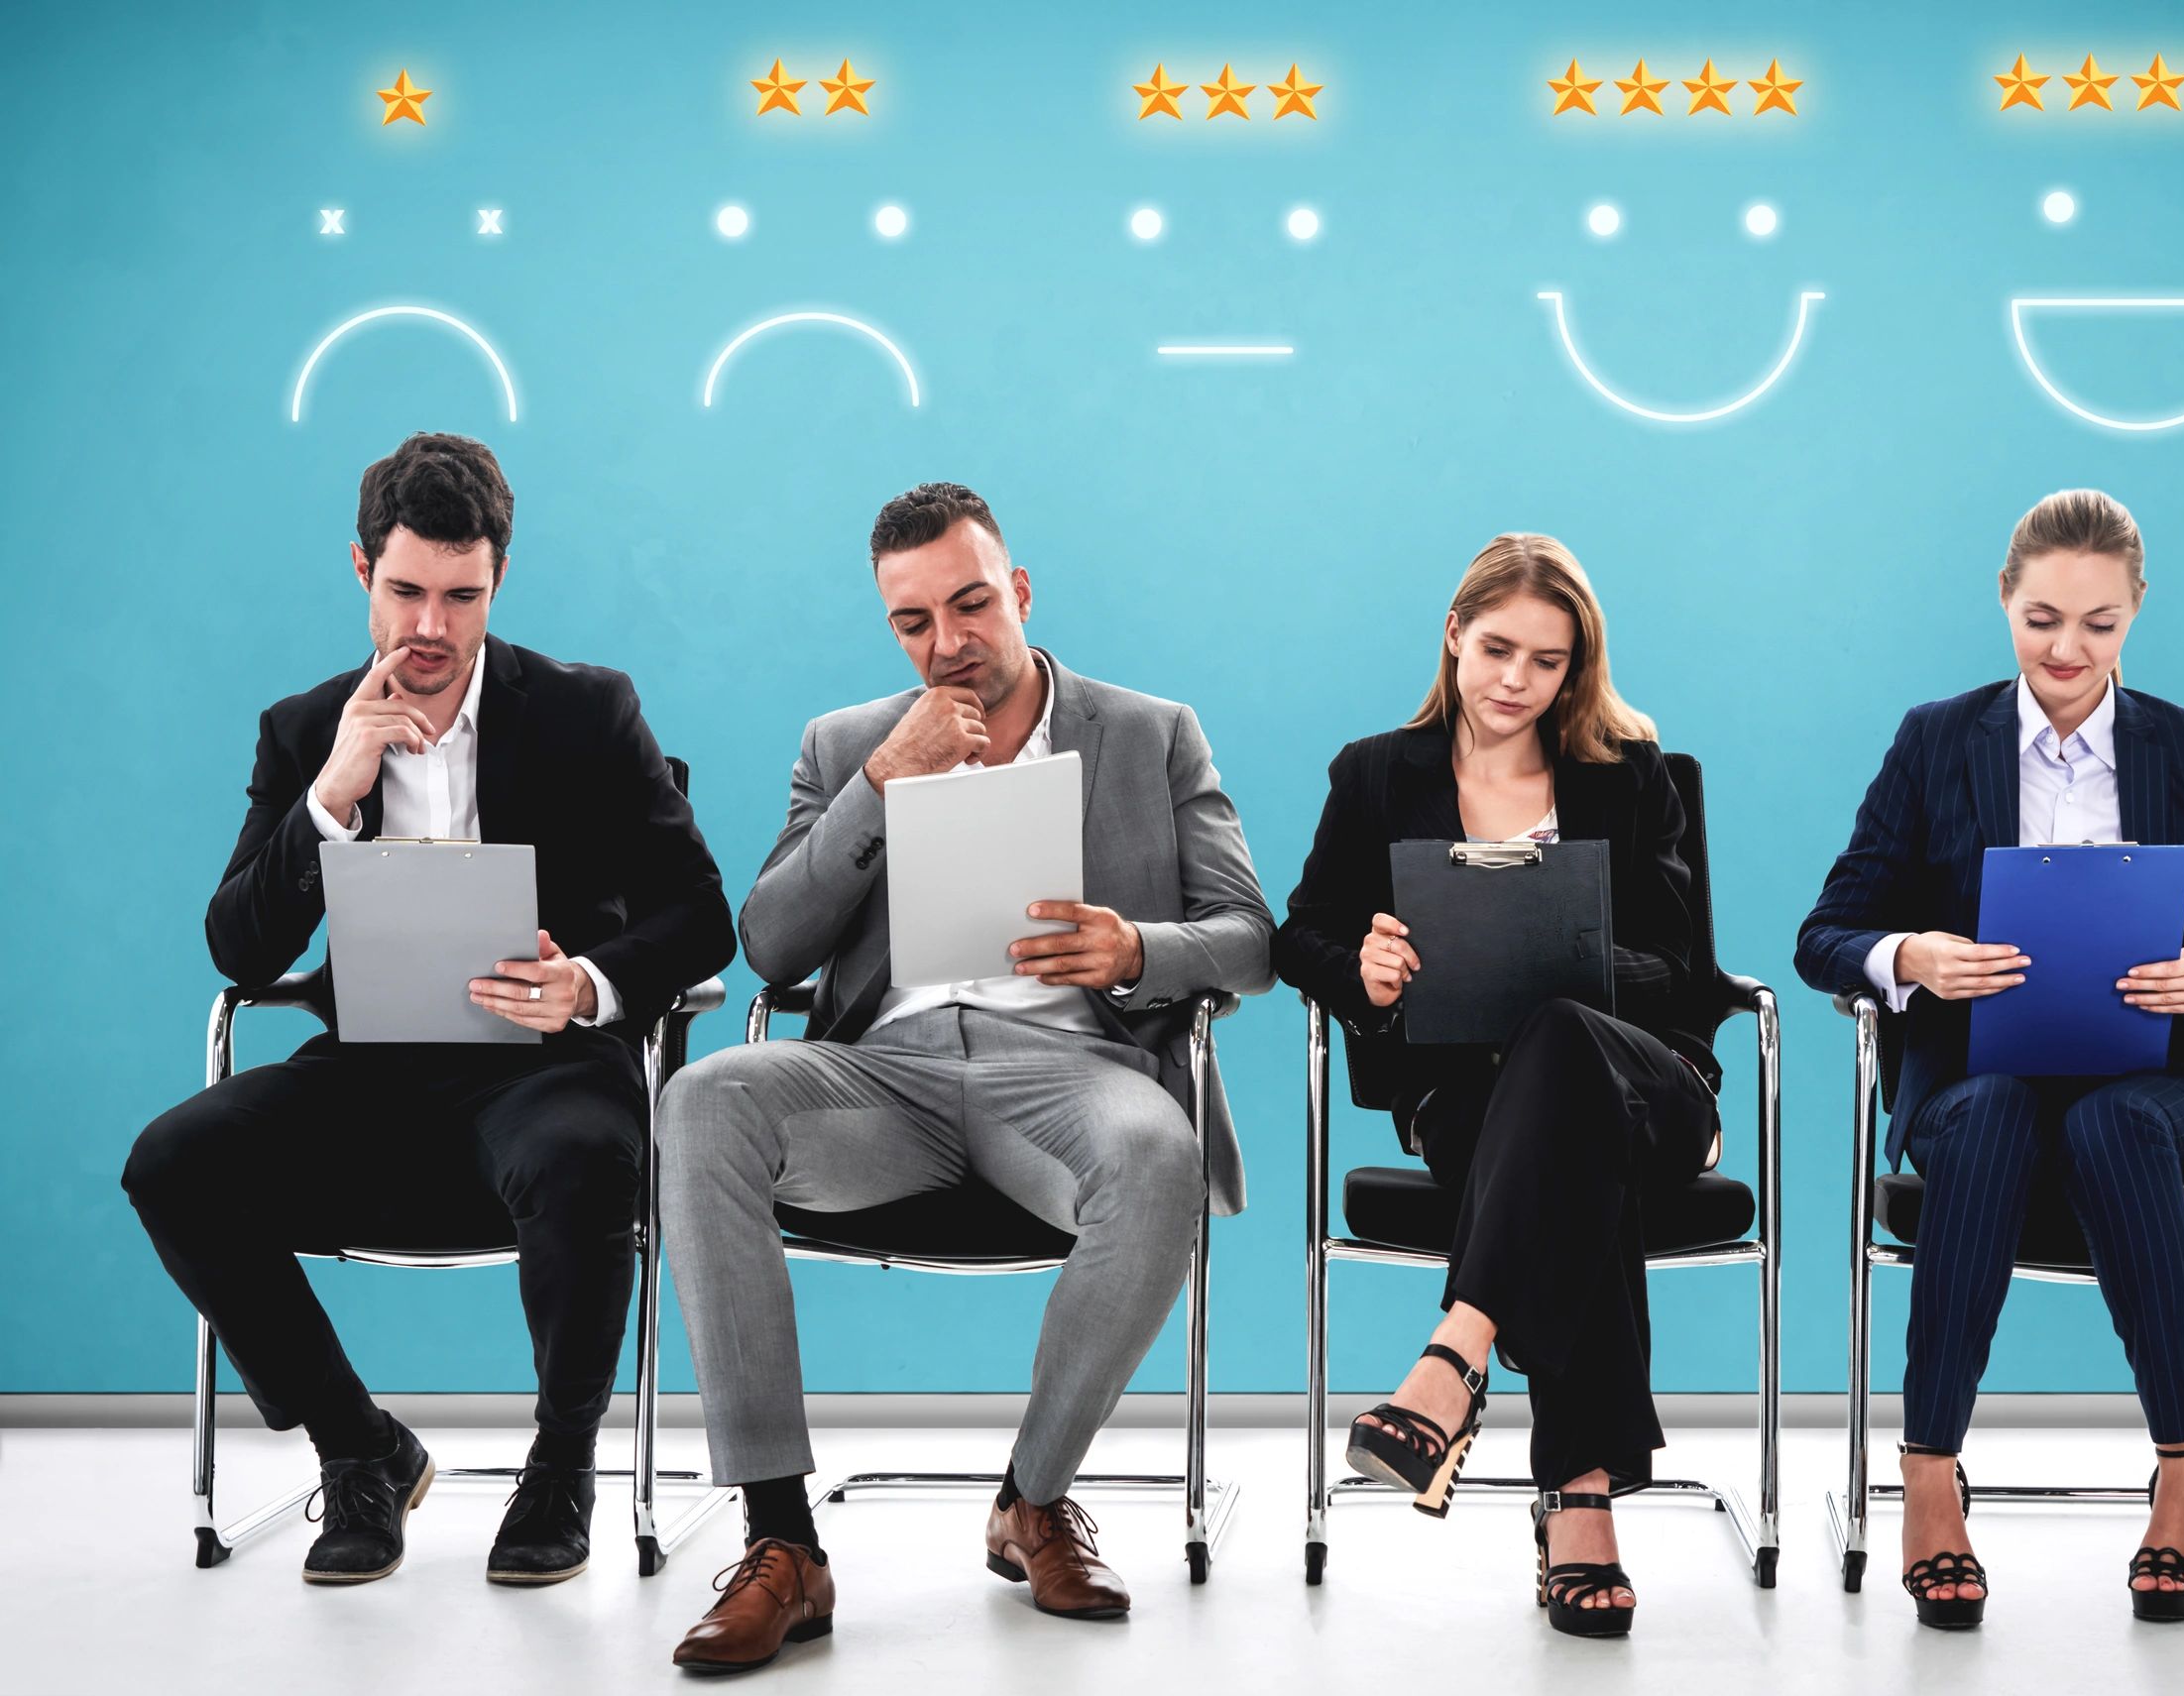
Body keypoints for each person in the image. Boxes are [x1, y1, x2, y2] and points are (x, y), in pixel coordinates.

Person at [658, 481, 1274, 1672]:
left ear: (1021, 592)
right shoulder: (844, 745)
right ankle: (782, 1542)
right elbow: (773, 949)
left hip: (1072, 1070)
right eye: (913, 622)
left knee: (1158, 1151)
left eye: (971, 604)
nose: (947, 644)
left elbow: (1248, 936)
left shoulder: (1149, 734)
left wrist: (1138, 948)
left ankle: (1031, 1499)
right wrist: (882, 780)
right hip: (881, 1079)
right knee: (703, 1097)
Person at [122, 432, 736, 1587]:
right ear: (362, 571)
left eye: (463, 596)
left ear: (498, 581)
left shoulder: (586, 711)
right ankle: (359, 1447)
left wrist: (590, 983)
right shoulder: (305, 729)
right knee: (171, 1162)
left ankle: (560, 1467)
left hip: (545, 1065)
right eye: (406, 591)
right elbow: (239, 947)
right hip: (372, 1073)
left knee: (582, 1152)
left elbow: (704, 917)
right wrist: (330, 798)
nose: (432, 629)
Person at [1794, 489, 2184, 1628]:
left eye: (2097, 624)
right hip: (1973, 1085)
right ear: (2003, 598)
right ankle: (1930, 1479)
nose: (2064, 648)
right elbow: (1824, 936)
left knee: (2111, 1121)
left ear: (2135, 612)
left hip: (2161, 1089)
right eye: (2042, 616)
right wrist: (1915, 955)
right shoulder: (1934, 740)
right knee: (1998, 1111)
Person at [1272, 533, 1722, 1639]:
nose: (1516, 680)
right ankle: (1579, 1500)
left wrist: (1558, 955)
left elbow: (1686, 972)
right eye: (1496, 650)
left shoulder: (1630, 775)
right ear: (1452, 637)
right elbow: (1302, 936)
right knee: (1574, 1168)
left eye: (1547, 661)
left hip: (1644, 1081)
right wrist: (1364, 969)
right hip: (1471, 1104)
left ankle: (1454, 1354)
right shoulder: (1376, 773)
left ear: (1578, 669)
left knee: (1565, 1034)